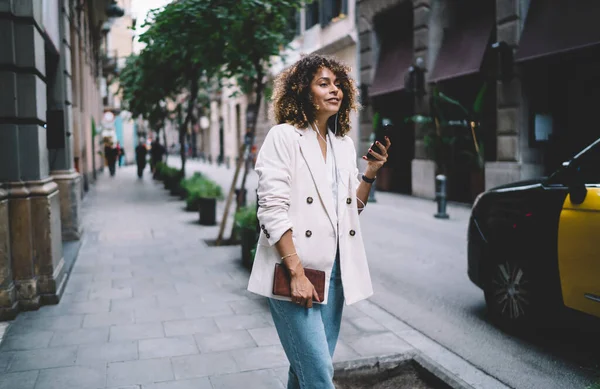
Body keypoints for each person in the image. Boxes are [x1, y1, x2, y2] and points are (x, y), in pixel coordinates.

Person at [247, 54, 391, 388]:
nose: (334, 90)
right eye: (323, 83)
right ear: (303, 91)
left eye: (338, 84)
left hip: (333, 273)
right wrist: (295, 272)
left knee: (305, 370)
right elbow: (270, 209)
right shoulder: (284, 137)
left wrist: (369, 173)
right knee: (320, 376)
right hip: (295, 270)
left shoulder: (342, 144)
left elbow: (348, 210)